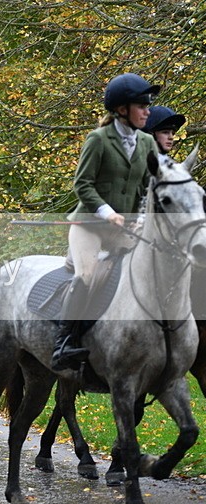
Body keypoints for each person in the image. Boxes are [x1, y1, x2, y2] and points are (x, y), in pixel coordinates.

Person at [51, 73, 159, 372]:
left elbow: (148, 189)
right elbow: (82, 184)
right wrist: (107, 212)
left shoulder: (147, 142)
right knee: (86, 275)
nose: (147, 112)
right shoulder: (98, 139)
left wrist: (141, 219)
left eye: (148, 106)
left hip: (124, 229)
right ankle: (63, 342)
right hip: (89, 226)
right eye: (142, 106)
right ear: (122, 109)